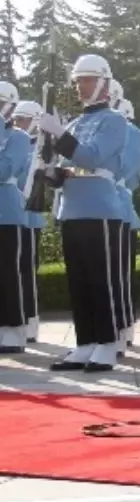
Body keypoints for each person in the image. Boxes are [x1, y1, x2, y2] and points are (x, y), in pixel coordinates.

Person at [39, 56, 129, 372]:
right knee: (78, 280)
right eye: (79, 81)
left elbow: (91, 157)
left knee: (101, 279)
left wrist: (59, 135)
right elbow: (68, 166)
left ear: (104, 83)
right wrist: (49, 172)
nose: (82, 86)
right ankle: (86, 342)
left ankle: (106, 342)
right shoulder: (76, 123)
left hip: (100, 208)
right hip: (72, 208)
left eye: (88, 80)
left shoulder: (114, 120)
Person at [9, 100, 44, 349]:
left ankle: (30, 320)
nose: (20, 123)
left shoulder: (38, 150)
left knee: (25, 270)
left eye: (24, 119)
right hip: (13, 210)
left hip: (28, 215)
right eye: (17, 119)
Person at [113, 96, 140, 351]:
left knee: (121, 276)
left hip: (121, 210)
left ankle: (124, 327)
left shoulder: (132, 134)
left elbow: (128, 174)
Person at [0, 82, 31, 354]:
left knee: (8, 272)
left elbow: (5, 168)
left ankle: (14, 329)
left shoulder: (18, 137)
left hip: (6, 211)